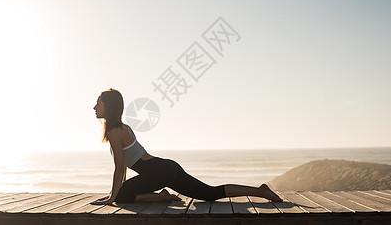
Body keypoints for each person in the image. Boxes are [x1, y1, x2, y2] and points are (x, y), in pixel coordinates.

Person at [90, 88, 283, 205]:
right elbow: (122, 168)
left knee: (121, 197)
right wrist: (113, 194)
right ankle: (260, 191)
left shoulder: (115, 132)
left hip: (160, 172)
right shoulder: (123, 128)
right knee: (209, 193)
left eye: (98, 103)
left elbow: (119, 168)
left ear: (109, 106)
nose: (94, 107)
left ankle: (160, 197)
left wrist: (112, 197)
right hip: (165, 167)